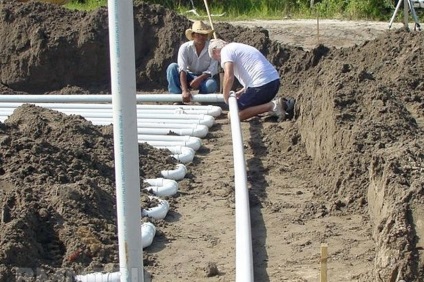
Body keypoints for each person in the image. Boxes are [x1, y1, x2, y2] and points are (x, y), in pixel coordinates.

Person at [208, 38, 295, 121]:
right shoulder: (236, 47)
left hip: (263, 86)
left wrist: (225, 96)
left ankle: (272, 106)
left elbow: (228, 76)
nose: (220, 61)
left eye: (216, 59)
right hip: (273, 82)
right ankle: (272, 106)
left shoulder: (225, 51)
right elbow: (253, 71)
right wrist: (243, 91)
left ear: (215, 51)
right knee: (242, 107)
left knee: (235, 114)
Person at [166, 21, 219, 103]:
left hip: (204, 77)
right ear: (193, 35)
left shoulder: (212, 49)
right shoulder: (185, 48)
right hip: (188, 75)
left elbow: (212, 70)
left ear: (206, 36)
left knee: (211, 84)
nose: (201, 37)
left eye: (203, 34)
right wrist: (185, 90)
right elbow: (182, 69)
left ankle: (202, 99)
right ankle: (176, 98)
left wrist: (199, 79)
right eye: (198, 34)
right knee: (172, 67)